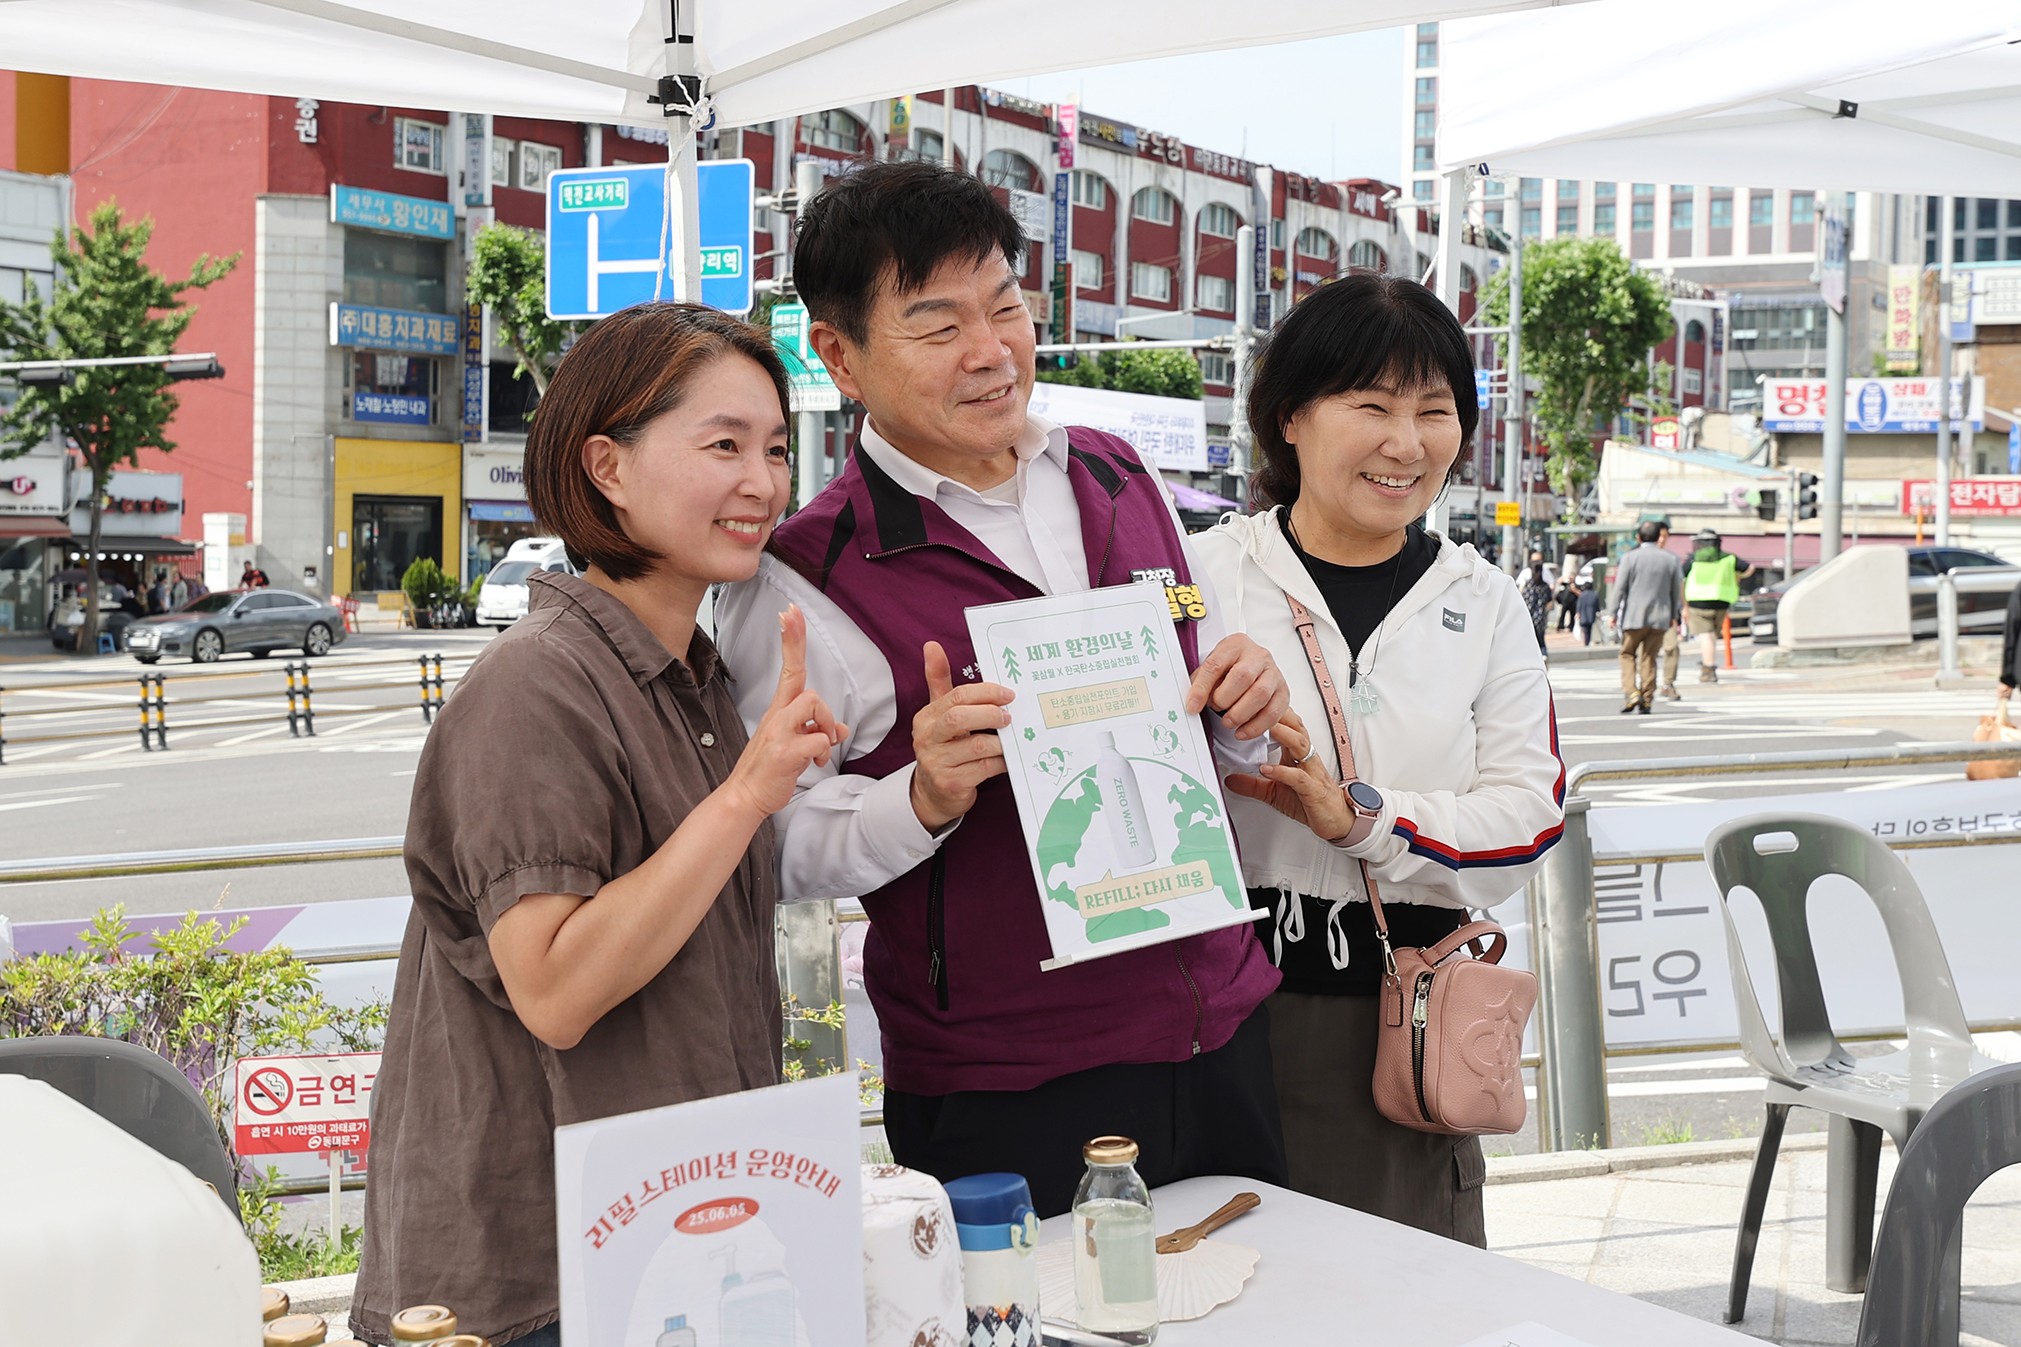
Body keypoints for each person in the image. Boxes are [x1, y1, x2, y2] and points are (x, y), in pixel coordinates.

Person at [716, 159, 1292, 1219]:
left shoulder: (1117, 476)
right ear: (839, 356)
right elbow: (771, 846)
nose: (989, 352)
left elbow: (1197, 730)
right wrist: (920, 795)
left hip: (1219, 1022)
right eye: (937, 327)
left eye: (1006, 307)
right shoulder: (804, 575)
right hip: (1008, 1079)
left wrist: (1243, 717)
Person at [351, 304, 845, 1347]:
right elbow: (558, 988)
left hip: (674, 1244)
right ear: (606, 467)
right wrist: (747, 796)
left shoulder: (688, 681)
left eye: (773, 449)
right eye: (722, 445)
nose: (761, 483)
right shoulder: (538, 686)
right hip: (542, 1279)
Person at [1190, 273, 1564, 1244]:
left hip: (1404, 1030)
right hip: (1218, 1023)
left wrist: (1365, 817)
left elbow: (1526, 819)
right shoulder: (1201, 576)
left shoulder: (1481, 601)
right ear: (1289, 418)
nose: (1406, 444)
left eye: (1432, 411)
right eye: (1370, 406)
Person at [1612, 520, 1684, 715]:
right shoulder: (1670, 559)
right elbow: (1675, 590)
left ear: (1639, 537)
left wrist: (1612, 613)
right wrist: (1674, 614)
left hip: (1633, 616)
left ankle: (1631, 692)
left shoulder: (1629, 558)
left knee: (1627, 654)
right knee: (1649, 658)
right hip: (1660, 617)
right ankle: (1647, 698)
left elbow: (1620, 588)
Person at [1684, 528, 1757, 683]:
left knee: (1705, 635)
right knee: (1712, 636)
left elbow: (1681, 576)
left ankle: (1708, 669)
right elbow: (1750, 568)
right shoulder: (1729, 558)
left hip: (1698, 601)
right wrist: (1738, 576)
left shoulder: (1693, 559)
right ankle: (1709, 666)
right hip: (1722, 601)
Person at [1518, 551, 1552, 653]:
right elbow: (1551, 595)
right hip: (1540, 618)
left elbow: (1520, 592)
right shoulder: (1544, 584)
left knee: (1527, 641)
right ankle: (1543, 658)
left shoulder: (1529, 585)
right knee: (1540, 641)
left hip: (1528, 617)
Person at [1576, 580, 1600, 646]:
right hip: (1591, 614)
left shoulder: (1582, 595)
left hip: (1583, 614)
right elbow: (1597, 605)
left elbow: (1579, 605)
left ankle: (1586, 641)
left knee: (1585, 629)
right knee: (1589, 629)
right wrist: (1598, 612)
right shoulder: (1594, 595)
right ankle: (1587, 641)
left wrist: (1578, 612)